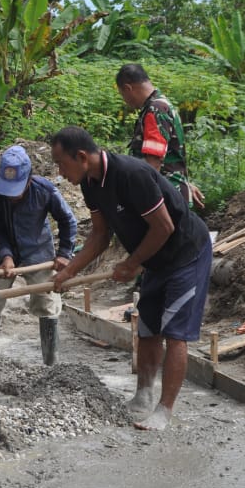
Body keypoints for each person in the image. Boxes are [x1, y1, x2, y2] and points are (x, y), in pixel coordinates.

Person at [49, 126, 212, 431]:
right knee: (148, 326)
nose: (60, 171)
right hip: (154, 259)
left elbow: (164, 227)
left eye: (61, 163)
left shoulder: (131, 174)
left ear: (82, 156)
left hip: (185, 253)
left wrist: (132, 263)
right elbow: (99, 234)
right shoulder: (90, 183)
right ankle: (144, 395)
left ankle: (164, 410)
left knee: (175, 332)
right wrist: (70, 271)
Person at [0, 145, 77, 363]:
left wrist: (64, 253)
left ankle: (50, 364)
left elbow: (68, 221)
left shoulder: (45, 191)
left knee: (47, 304)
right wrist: (6, 256)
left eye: (18, 190)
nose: (12, 196)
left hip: (38, 251)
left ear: (29, 180)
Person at [116, 63, 204, 209]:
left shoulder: (154, 111)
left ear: (128, 88)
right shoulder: (162, 104)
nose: (125, 100)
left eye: (122, 94)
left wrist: (142, 200)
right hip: (170, 191)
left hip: (164, 196)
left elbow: (153, 162)